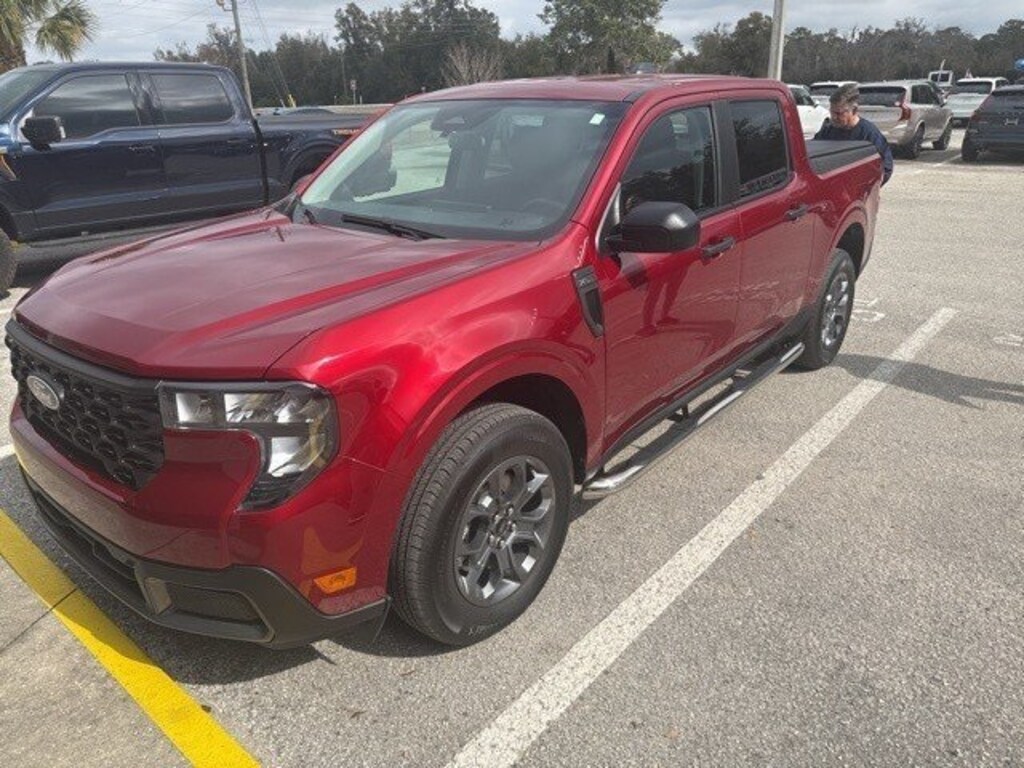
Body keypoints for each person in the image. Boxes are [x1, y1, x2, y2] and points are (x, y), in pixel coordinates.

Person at [814, 83, 894, 186]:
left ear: (854, 110)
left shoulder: (869, 134)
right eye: (832, 112)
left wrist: (866, 187)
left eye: (839, 113)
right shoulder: (827, 131)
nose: (834, 117)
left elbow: (886, 167)